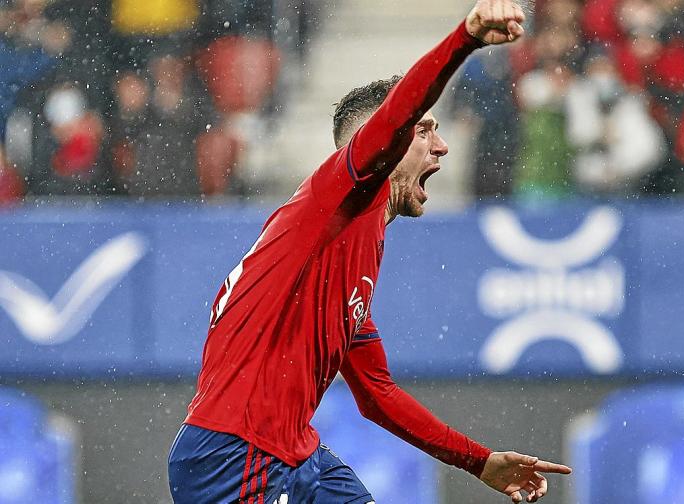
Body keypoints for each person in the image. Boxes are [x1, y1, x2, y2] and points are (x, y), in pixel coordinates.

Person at [168, 0, 572, 503]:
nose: (441, 146)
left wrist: (478, 460)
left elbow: (378, 395)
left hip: (292, 453)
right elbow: (399, 110)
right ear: (386, 139)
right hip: (234, 454)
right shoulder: (334, 195)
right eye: (425, 130)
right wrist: (465, 37)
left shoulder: (357, 243)